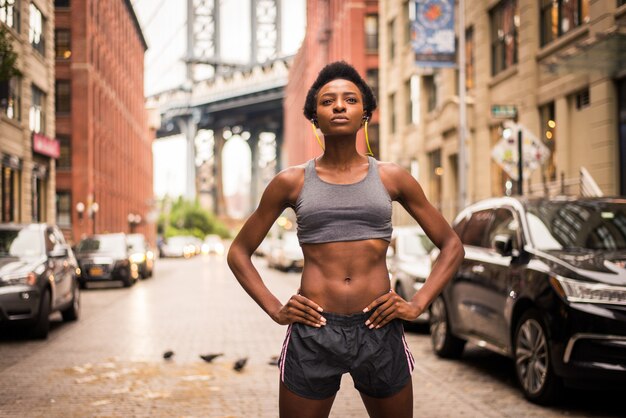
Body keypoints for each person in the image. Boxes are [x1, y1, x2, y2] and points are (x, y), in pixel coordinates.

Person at [227, 61, 464, 418]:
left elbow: (452, 245)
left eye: (350, 99)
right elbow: (239, 252)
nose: (339, 106)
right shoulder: (291, 182)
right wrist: (276, 309)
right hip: (314, 332)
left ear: (364, 114)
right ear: (314, 117)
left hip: (379, 328)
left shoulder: (392, 177)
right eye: (328, 101)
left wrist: (417, 305)